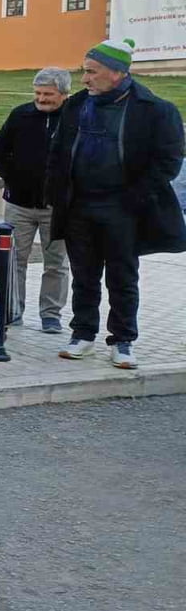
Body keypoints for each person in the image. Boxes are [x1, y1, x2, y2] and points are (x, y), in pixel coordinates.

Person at [47, 39, 186, 369]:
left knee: (123, 276)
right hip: (80, 205)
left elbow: (168, 160)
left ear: (117, 73)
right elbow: (58, 153)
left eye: (91, 72)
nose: (85, 79)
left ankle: (122, 341)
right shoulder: (77, 106)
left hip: (124, 207)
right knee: (84, 275)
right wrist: (56, 193)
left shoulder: (154, 110)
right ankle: (82, 335)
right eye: (85, 71)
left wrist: (134, 198)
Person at [0, 68, 71, 334]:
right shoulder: (21, 114)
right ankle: (13, 311)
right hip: (19, 205)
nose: (42, 98)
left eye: (48, 94)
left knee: (57, 263)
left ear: (63, 94)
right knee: (14, 260)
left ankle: (51, 315)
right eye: (38, 93)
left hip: (57, 207)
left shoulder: (75, 118)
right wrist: (12, 179)